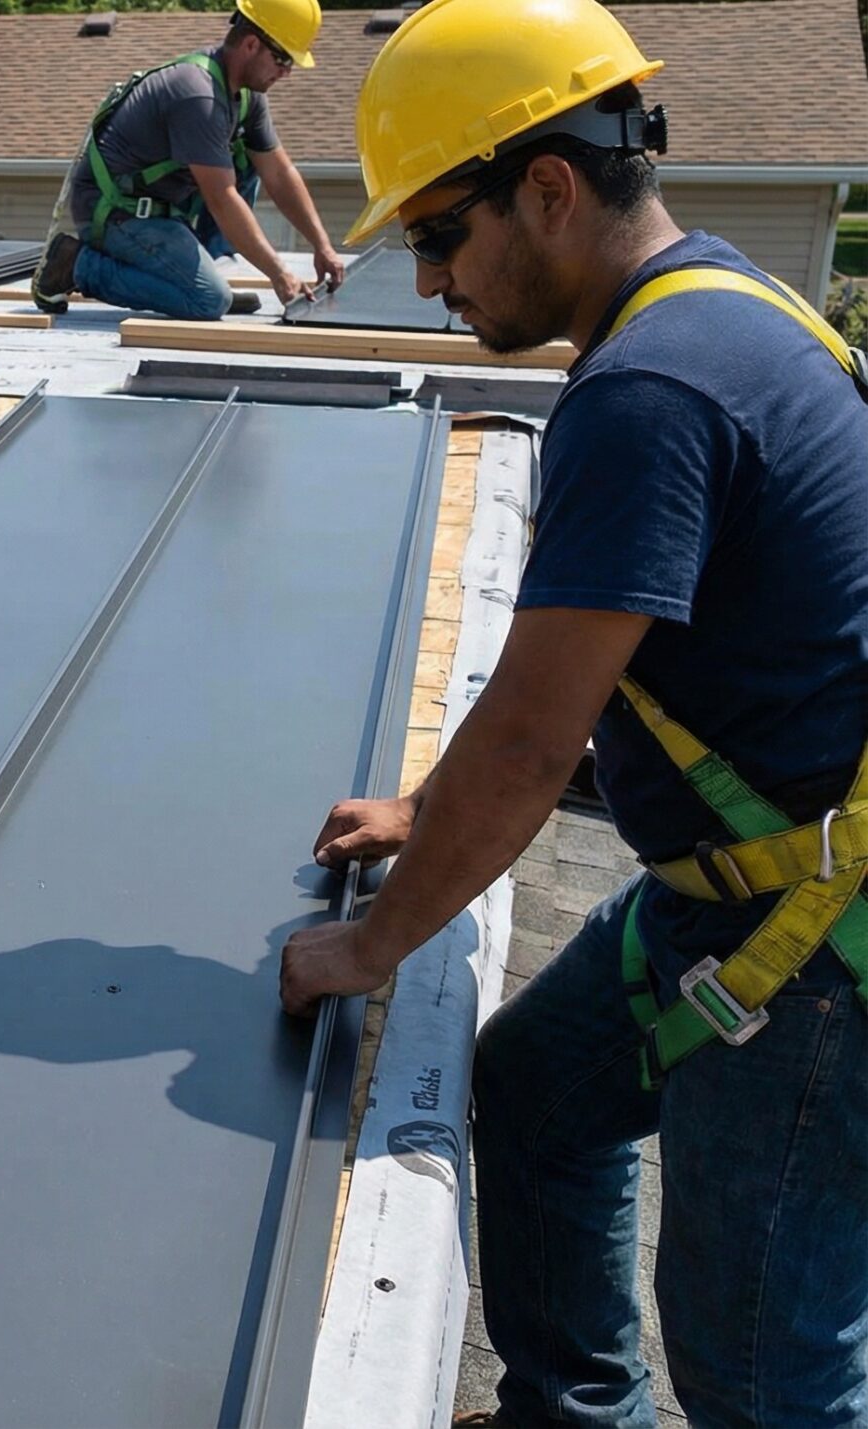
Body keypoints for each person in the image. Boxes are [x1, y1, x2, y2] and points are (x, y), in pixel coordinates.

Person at [277, 0, 868, 1422]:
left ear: (546, 187)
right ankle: (569, 1411)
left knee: (758, 1362)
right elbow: (590, 684)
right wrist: (430, 808)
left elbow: (540, 739)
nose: (426, 283)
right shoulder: (729, 306)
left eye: (436, 234)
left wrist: (373, 940)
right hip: (727, 882)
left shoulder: (653, 390)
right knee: (538, 1096)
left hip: (809, 942)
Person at [31, 0, 346, 321]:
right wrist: (280, 274)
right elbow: (222, 199)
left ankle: (191, 278)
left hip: (163, 208)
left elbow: (279, 173)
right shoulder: (199, 95)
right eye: (282, 60)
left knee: (249, 159)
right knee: (208, 301)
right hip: (117, 212)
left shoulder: (247, 97)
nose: (286, 73)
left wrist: (322, 246)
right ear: (251, 44)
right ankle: (77, 265)